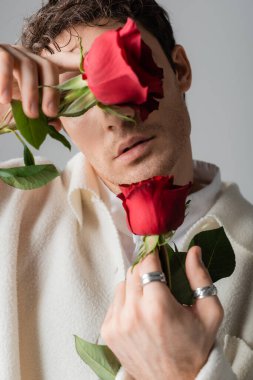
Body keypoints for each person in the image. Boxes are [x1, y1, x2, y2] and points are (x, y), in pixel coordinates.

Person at [0, 1, 252, 379]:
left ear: (179, 69)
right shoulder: (8, 210)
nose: (113, 116)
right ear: (55, 120)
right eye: (74, 95)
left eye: (128, 71)